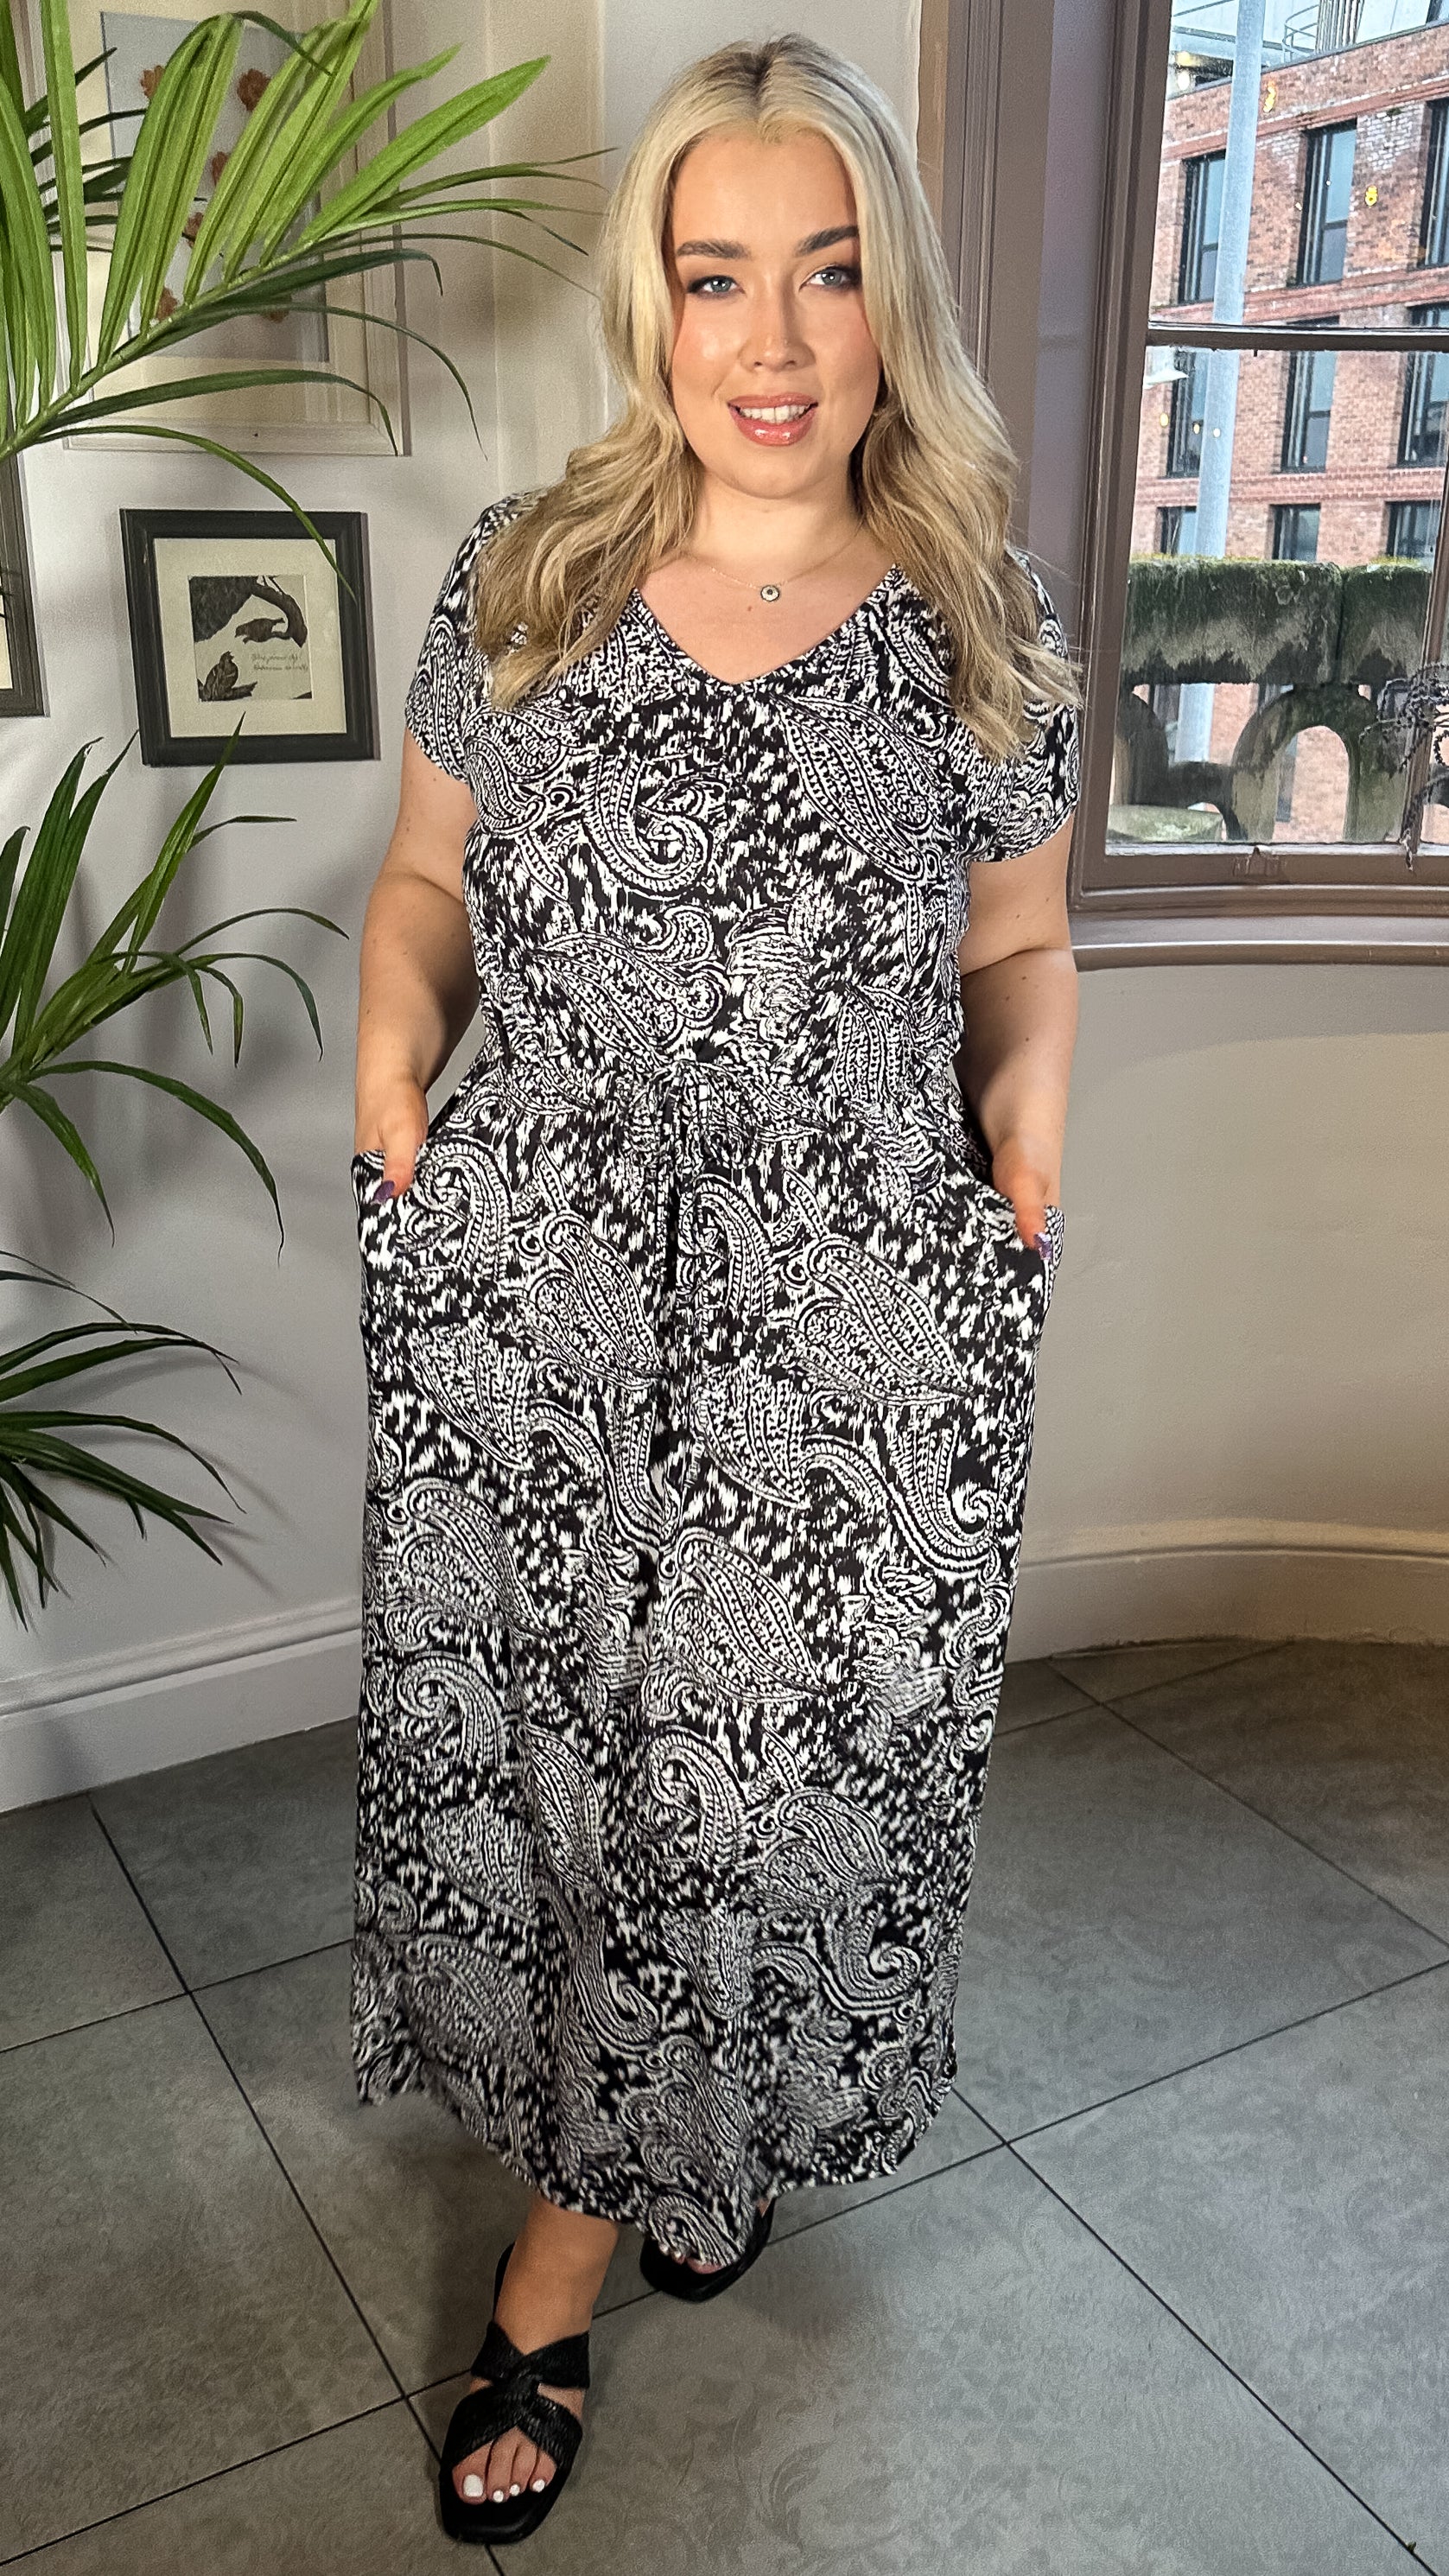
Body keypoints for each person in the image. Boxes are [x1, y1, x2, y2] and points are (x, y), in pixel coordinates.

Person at [350, 31, 1082, 2548]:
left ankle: (548, 2278)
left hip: (845, 1318)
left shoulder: (978, 617)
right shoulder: (526, 581)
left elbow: (1020, 936)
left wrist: (1032, 1096)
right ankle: (677, 2150)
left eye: (830, 274)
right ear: (652, 304)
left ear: (898, 304)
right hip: (541, 1298)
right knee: (570, 1776)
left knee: (740, 1789)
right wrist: (391, 1029)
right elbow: (428, 879)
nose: (773, 341)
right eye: (716, 277)